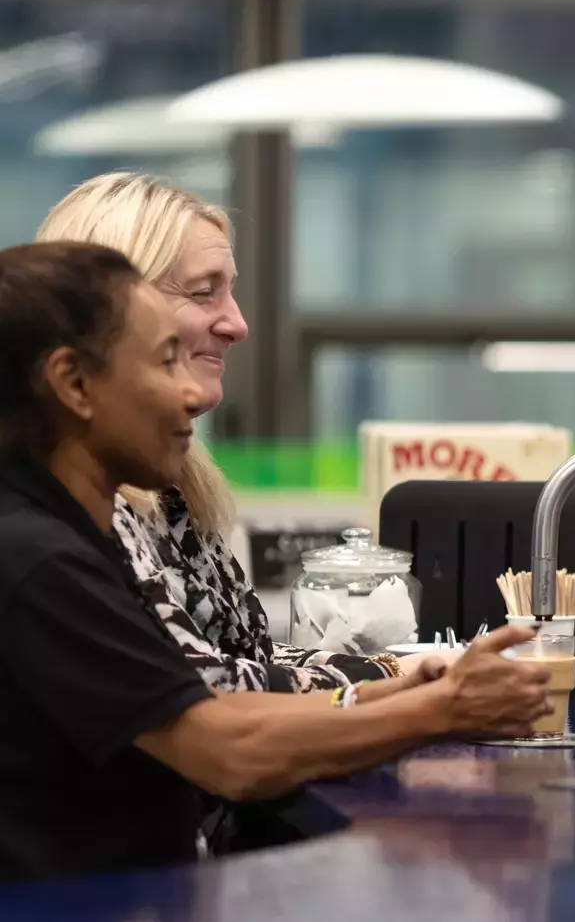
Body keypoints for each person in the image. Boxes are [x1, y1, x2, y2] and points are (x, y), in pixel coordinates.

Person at [0, 241, 549, 881]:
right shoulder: (37, 561)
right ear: (74, 384)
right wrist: (444, 711)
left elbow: (207, 708)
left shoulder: (74, 536)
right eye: (165, 361)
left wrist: (400, 690)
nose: (191, 393)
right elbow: (227, 753)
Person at [35, 172, 407, 694]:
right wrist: (391, 677)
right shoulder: (75, 502)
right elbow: (201, 691)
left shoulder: (171, 483)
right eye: (204, 292)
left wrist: (406, 669)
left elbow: (243, 658)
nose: (238, 324)